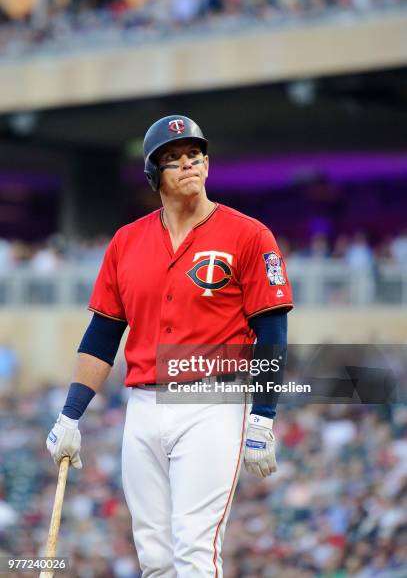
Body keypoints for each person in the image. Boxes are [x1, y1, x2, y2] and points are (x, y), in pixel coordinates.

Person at [46, 115, 293, 577]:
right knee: (155, 557)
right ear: (152, 175)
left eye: (195, 156)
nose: (188, 165)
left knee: (194, 549)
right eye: (173, 159)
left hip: (211, 396)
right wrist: (70, 414)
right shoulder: (126, 241)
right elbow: (102, 336)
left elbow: (272, 335)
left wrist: (263, 416)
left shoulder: (248, 234)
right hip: (142, 401)